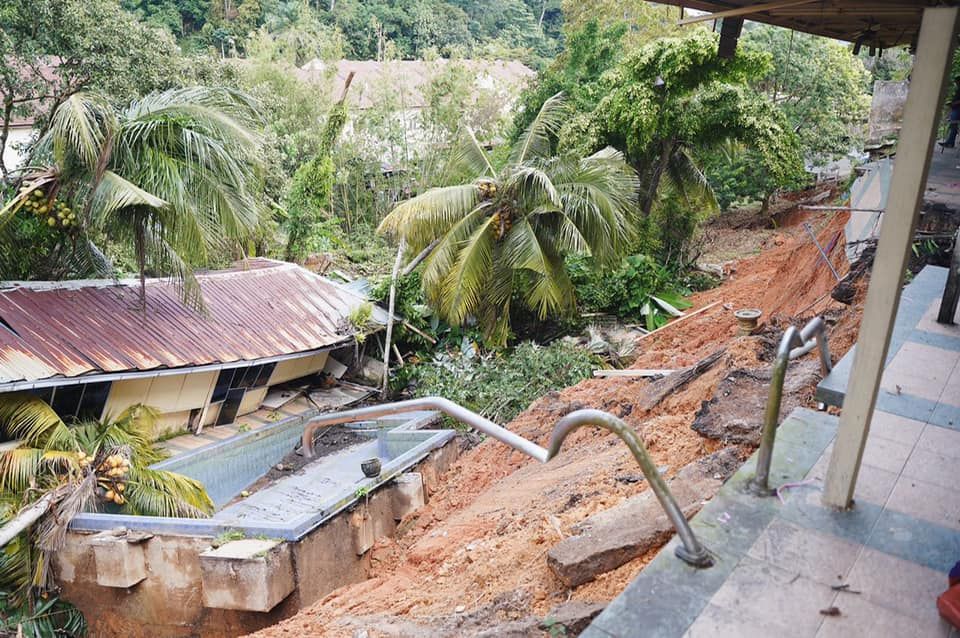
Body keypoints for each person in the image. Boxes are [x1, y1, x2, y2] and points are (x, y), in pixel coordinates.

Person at [939, 76, 960, 148]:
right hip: (955, 109)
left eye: (956, 82)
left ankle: (950, 142)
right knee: (952, 126)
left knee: (953, 126)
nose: (956, 83)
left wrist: (953, 103)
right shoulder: (958, 89)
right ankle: (949, 142)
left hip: (957, 110)